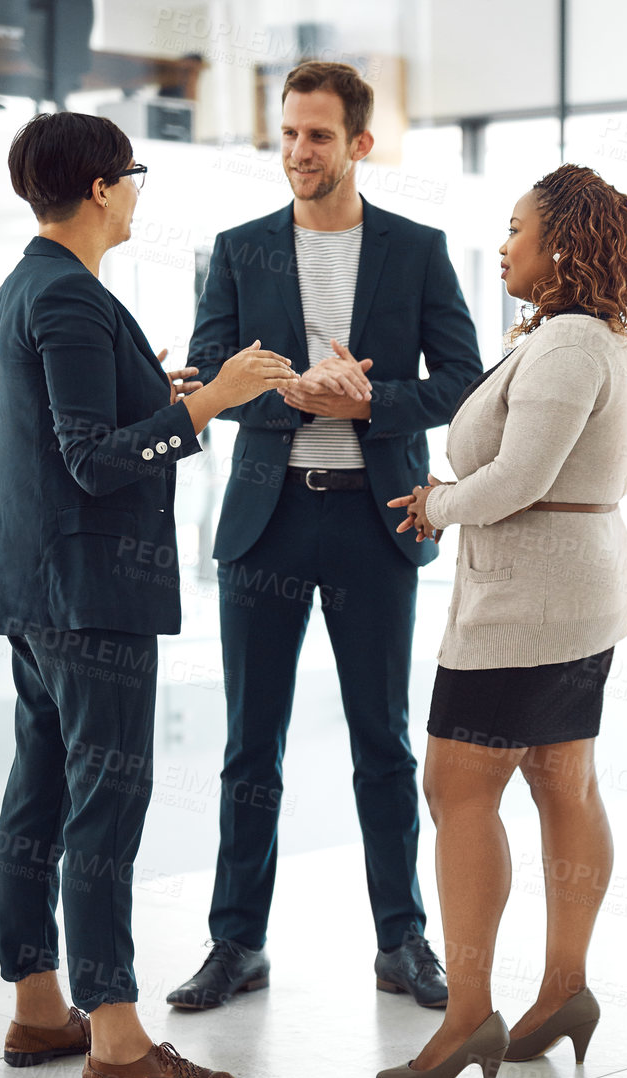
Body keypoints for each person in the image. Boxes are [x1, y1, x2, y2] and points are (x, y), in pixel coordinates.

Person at [0, 111, 294, 1078]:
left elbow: (70, 436)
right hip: (90, 597)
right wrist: (206, 404)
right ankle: (116, 1039)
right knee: (104, 806)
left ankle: (40, 1007)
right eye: (135, 173)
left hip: (35, 587)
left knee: (40, 795)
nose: (139, 190)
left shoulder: (25, 288)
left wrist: (160, 400)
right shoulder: (70, 299)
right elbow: (94, 462)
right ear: (105, 188)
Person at [172, 61, 482, 1011]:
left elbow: (464, 382)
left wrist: (367, 400)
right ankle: (236, 944)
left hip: (372, 519)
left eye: (316, 136)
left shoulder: (418, 248)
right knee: (247, 747)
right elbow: (202, 380)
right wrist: (278, 391)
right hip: (267, 523)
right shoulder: (236, 249)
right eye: (288, 134)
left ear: (359, 144)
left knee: (381, 740)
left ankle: (402, 941)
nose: (297, 152)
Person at [374, 164, 627, 1078]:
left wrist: (439, 502)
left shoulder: (570, 343)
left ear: (561, 243)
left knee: (457, 784)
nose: (503, 244)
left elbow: (522, 476)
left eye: (516, 227)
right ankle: (562, 992)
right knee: (561, 778)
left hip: (529, 603)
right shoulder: (590, 336)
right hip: (572, 591)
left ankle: (467, 1016)